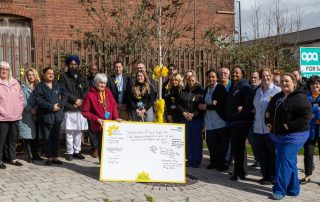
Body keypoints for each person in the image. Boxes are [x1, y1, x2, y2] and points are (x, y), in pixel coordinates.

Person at [265, 73, 312, 200]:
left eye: (287, 81)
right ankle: (293, 189)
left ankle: (280, 190)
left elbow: (307, 116)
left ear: (294, 82)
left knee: (283, 161)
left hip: (295, 135)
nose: (284, 83)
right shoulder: (277, 97)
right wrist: (268, 123)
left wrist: (290, 125)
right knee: (289, 161)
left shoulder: (301, 98)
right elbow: (268, 112)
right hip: (279, 135)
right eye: (282, 81)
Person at [81, 73, 120, 161]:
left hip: (110, 125)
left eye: (104, 83)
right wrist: (96, 119)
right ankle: (102, 168)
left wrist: (116, 117)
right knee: (102, 147)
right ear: (95, 82)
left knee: (111, 147)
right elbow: (84, 112)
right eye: (101, 83)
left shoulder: (108, 92)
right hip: (99, 126)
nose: (103, 85)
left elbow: (113, 104)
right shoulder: (89, 95)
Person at [225, 66, 254, 181]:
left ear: (242, 74)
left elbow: (248, 104)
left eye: (237, 73)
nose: (234, 74)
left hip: (241, 121)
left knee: (238, 147)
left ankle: (238, 172)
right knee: (238, 147)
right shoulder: (233, 86)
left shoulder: (245, 86)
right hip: (234, 121)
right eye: (233, 72)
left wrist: (238, 114)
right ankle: (241, 171)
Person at [253, 68, 281, 185]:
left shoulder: (277, 91)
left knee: (272, 153)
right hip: (258, 128)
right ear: (260, 77)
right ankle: (265, 176)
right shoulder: (257, 91)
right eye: (263, 76)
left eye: (268, 75)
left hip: (271, 129)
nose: (266, 78)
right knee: (261, 154)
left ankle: (273, 176)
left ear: (271, 76)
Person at [34, 67, 67, 166]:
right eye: (48, 73)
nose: (51, 75)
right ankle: (49, 157)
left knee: (56, 137)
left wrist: (60, 105)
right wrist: (51, 107)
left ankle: (55, 157)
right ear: (43, 75)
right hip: (46, 115)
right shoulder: (40, 87)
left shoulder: (57, 84)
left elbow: (65, 96)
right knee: (47, 137)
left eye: (52, 73)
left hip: (57, 116)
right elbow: (39, 100)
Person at [60, 54, 89, 161]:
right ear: (68, 65)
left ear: (78, 65)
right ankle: (69, 152)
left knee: (78, 131)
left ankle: (77, 151)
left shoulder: (82, 76)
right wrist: (74, 100)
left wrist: (81, 100)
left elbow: (87, 89)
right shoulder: (64, 76)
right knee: (69, 131)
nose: (73, 66)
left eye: (75, 64)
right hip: (70, 106)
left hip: (80, 108)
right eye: (71, 64)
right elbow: (63, 90)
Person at [198, 69, 228, 171]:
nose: (211, 79)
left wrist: (206, 106)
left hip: (219, 121)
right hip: (209, 122)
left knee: (221, 144)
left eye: (213, 77)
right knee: (211, 144)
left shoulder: (220, 88)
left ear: (216, 78)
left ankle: (222, 164)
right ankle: (214, 162)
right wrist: (208, 105)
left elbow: (220, 105)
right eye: (209, 77)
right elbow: (204, 102)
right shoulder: (206, 89)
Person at [0, 61, 24, 169]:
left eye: (6, 69)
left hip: (15, 117)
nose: (4, 70)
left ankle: (12, 158)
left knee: (13, 139)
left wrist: (19, 109)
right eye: (2, 68)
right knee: (1, 140)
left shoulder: (15, 82)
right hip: (2, 117)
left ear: (9, 71)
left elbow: (21, 98)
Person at [177, 74, 204, 168]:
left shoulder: (200, 92)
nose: (191, 82)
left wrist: (193, 114)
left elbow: (201, 106)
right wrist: (184, 113)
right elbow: (179, 104)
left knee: (196, 141)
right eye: (189, 81)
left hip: (196, 119)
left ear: (196, 81)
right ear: (187, 81)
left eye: (193, 81)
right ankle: (189, 159)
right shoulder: (183, 91)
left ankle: (197, 160)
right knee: (188, 140)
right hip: (185, 119)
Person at [17, 68, 43, 163]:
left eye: (32, 74)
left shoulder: (39, 87)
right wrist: (30, 109)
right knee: (27, 135)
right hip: (27, 113)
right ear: (27, 77)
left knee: (36, 134)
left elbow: (41, 99)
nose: (31, 76)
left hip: (37, 112)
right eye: (29, 75)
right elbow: (22, 100)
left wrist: (36, 108)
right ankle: (29, 154)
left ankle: (35, 153)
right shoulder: (23, 87)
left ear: (35, 75)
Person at [300, 75, 320, 184]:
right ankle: (307, 176)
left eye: (317, 83)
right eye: (312, 84)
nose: (315, 85)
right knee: (308, 153)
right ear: (309, 86)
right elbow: (304, 113)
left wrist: (315, 114)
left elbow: (312, 112)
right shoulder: (305, 97)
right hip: (309, 130)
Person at [87, 64, 99, 158]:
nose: (93, 70)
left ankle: (99, 147)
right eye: (92, 69)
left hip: (99, 106)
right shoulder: (86, 80)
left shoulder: (100, 80)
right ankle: (94, 148)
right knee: (91, 128)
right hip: (90, 107)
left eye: (95, 69)